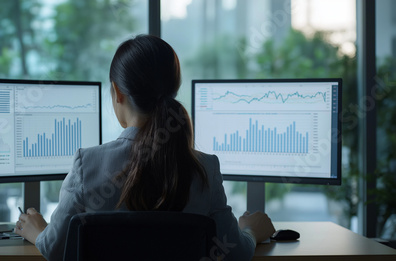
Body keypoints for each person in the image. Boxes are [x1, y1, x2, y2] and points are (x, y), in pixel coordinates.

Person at [14, 34, 275, 261]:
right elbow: (236, 254)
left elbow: (55, 249)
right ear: (174, 89)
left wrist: (38, 230)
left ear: (117, 92)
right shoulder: (205, 168)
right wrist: (252, 231)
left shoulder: (87, 164)